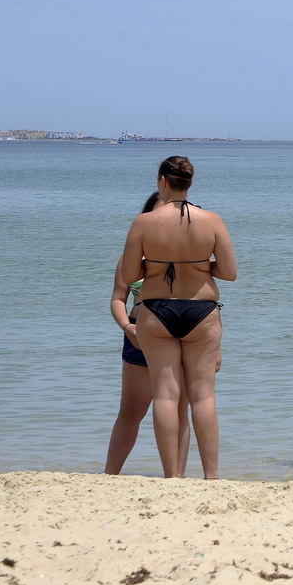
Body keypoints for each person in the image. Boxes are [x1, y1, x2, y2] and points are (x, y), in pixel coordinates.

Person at [116, 156, 237, 479]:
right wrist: (199, 265)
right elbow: (230, 272)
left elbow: (129, 274)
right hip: (201, 311)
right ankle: (211, 477)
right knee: (203, 395)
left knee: (165, 396)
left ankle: (172, 477)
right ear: (190, 183)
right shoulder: (212, 220)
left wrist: (158, 265)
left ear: (162, 181)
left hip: (156, 312)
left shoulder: (144, 222)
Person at [105, 192, 192, 475]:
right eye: (157, 214)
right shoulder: (132, 256)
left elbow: (203, 305)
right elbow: (118, 298)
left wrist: (215, 348)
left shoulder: (191, 255)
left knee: (179, 411)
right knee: (131, 411)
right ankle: (109, 475)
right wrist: (127, 327)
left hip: (181, 336)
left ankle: (176, 477)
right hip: (139, 336)